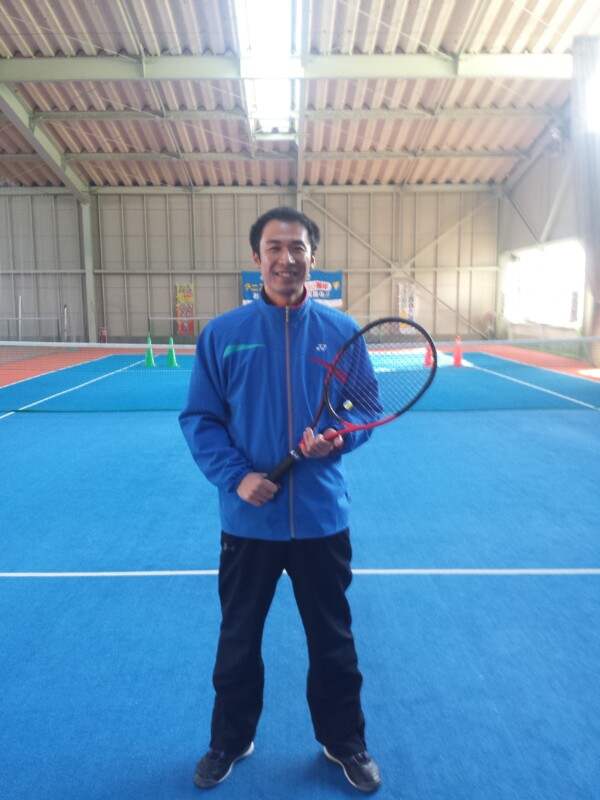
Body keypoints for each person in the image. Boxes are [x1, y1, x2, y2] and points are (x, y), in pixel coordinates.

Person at [179, 206, 381, 793]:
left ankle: (344, 740)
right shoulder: (222, 335)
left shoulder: (342, 333)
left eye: (297, 248)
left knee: (333, 641)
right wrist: (237, 477)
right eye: (274, 248)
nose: (286, 259)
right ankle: (230, 740)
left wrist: (341, 437)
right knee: (238, 641)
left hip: (321, 519)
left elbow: (367, 407)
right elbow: (200, 419)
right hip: (249, 522)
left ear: (313, 258)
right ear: (256, 258)